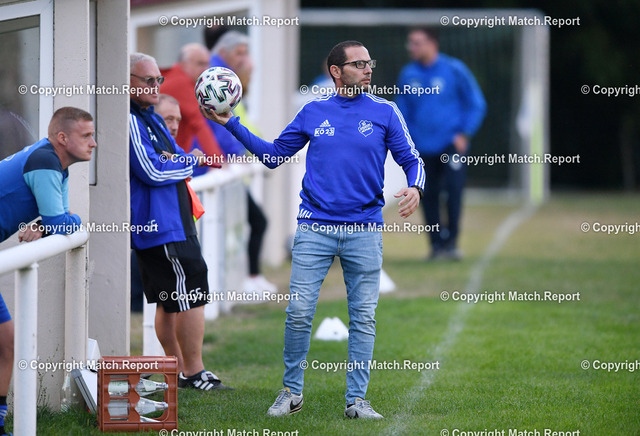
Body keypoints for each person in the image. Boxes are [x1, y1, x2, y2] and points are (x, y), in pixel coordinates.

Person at [203, 41, 425, 419]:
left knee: (363, 317)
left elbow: (411, 159)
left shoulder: (385, 111)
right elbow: (273, 156)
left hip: (365, 230)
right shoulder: (313, 111)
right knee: (299, 312)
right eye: (358, 64)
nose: (368, 69)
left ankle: (357, 401)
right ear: (336, 71)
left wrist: (416, 186)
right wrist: (233, 124)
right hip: (314, 228)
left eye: (369, 62)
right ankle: (291, 393)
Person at [128, 52, 231, 391]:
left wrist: (181, 159)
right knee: (190, 294)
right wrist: (189, 160)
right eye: (148, 80)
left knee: (172, 299)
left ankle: (177, 372)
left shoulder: (150, 118)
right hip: (159, 225)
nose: (156, 85)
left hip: (174, 220)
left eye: (158, 79)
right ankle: (194, 373)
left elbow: (172, 158)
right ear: (127, 82)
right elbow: (153, 169)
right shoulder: (130, 120)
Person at [0, 106, 96, 436]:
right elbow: (62, 221)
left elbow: (59, 220)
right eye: (86, 136)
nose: (93, 143)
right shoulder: (44, 161)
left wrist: (47, 225)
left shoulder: (55, 164)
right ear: (62, 138)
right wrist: (52, 224)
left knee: (6, 342)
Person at [396, 27, 486, 261]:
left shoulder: (454, 69)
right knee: (427, 195)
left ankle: (452, 243)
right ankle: (436, 245)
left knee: (454, 191)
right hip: (421, 147)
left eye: (416, 43)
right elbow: (401, 112)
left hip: (450, 144)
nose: (411, 47)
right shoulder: (408, 74)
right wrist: (407, 141)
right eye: (410, 43)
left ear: (432, 44)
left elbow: (476, 103)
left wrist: (464, 134)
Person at [203, 30, 276, 295]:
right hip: (217, 167)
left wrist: (256, 149)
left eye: (247, 53)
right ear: (223, 53)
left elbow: (239, 122)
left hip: (230, 165)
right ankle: (244, 280)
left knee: (243, 225)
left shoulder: (230, 80)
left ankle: (246, 279)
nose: (245, 59)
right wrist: (234, 153)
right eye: (240, 53)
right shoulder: (218, 78)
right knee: (252, 223)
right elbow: (216, 123)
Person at [159, 43, 223, 158]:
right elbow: (199, 124)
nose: (206, 69)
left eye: (207, 64)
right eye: (200, 64)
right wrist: (217, 160)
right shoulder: (180, 82)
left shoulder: (175, 77)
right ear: (184, 64)